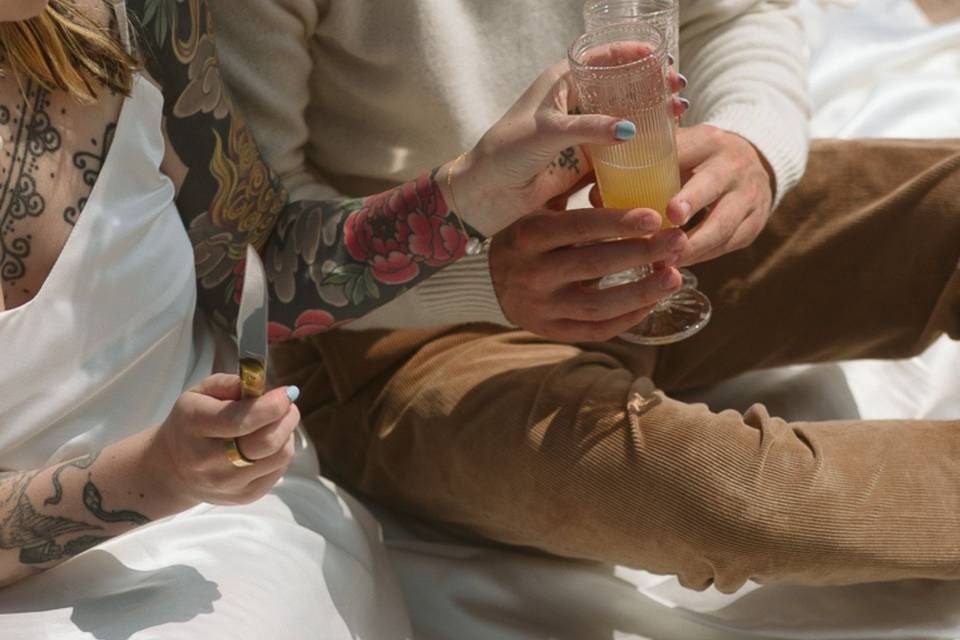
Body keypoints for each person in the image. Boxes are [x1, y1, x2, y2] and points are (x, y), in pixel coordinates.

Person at [210, 0, 960, 594]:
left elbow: (737, 16)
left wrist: (751, 146)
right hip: (401, 327)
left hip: (652, 217)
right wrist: (483, 268)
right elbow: (252, 252)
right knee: (734, 496)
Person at [0, 0, 643, 635]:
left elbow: (257, 263)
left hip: (226, 530)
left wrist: (471, 193)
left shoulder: (129, 13)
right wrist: (152, 474)